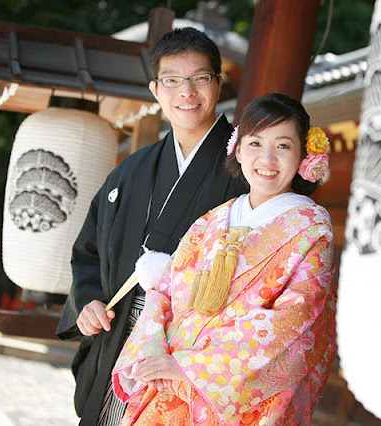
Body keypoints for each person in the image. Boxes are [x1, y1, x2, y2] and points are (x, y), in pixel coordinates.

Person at [56, 27, 247, 425]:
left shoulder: (247, 166)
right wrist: (89, 301)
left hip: (191, 351)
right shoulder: (132, 170)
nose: (187, 92)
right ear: (156, 90)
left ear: (218, 83)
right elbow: (89, 251)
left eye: (199, 78)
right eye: (173, 80)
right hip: (122, 333)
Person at [110, 93, 337, 425]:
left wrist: (192, 368)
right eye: (255, 143)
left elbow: (291, 324)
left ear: (304, 154)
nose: (267, 158)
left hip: (226, 398)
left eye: (284, 146)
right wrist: (153, 352)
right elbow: (164, 292)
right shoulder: (210, 222)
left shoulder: (311, 231)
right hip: (166, 385)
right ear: (238, 149)